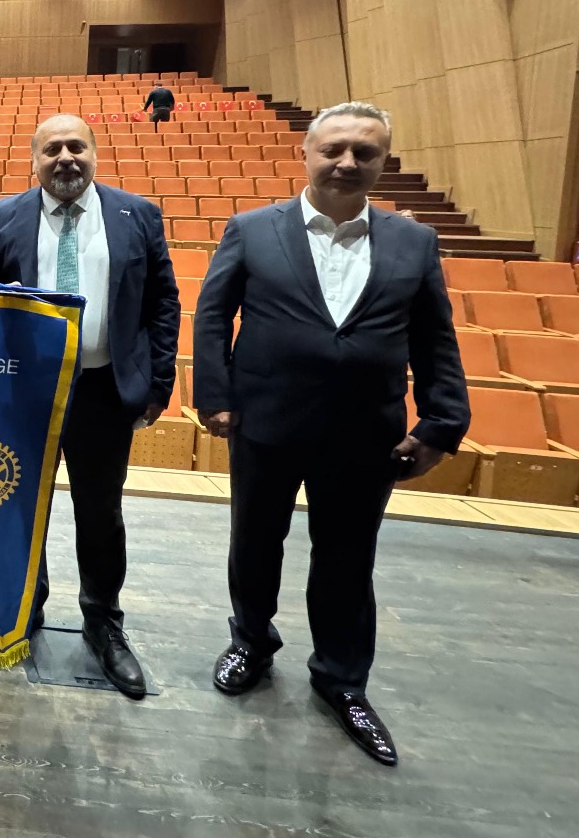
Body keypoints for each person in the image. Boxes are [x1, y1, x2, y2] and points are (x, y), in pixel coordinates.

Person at [192, 101, 469, 766]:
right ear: (307, 154)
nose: (347, 162)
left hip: (366, 431)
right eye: (334, 149)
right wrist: (216, 398)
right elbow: (213, 315)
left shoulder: (414, 242)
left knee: (348, 559)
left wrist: (441, 422)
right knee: (254, 542)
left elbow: (434, 339)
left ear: (383, 161)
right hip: (267, 420)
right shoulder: (252, 229)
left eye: (364, 152)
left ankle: (342, 679)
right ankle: (251, 640)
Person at [0, 114, 179, 700]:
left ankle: (103, 623)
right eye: (52, 150)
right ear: (34, 160)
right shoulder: (7, 216)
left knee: (100, 513)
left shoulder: (136, 214)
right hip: (27, 392)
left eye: (76, 146)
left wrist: (158, 384)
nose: (65, 158)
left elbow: (163, 302)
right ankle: (25, 606)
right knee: (22, 507)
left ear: (93, 153)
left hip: (103, 391)